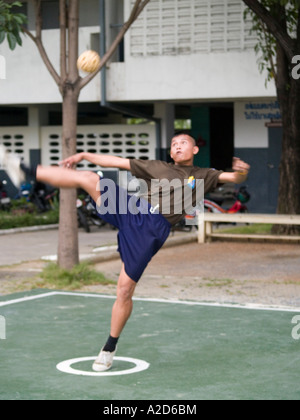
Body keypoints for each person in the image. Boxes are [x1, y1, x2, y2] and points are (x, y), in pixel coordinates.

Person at [0, 134, 250, 371]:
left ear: (194, 149)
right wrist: (84, 154)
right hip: (133, 208)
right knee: (87, 177)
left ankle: (109, 348)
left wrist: (242, 171)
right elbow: (117, 161)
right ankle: (24, 168)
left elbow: (235, 179)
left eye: (183, 143)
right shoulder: (156, 166)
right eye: (174, 143)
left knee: (124, 289)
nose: (177, 146)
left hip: (152, 229)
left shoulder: (203, 175)